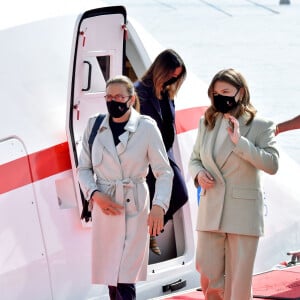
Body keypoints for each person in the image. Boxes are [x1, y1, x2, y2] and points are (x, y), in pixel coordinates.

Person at [77, 75, 173, 300]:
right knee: (112, 273)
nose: (113, 101)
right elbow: (83, 169)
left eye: (119, 96)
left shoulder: (146, 127)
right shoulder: (94, 125)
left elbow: (164, 171)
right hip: (105, 205)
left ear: (130, 99)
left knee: (125, 274)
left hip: (135, 205)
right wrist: (95, 195)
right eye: (109, 97)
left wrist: (159, 206)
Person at [189, 68, 279, 300]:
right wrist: (198, 174)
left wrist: (240, 141)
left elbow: (272, 164)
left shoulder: (260, 125)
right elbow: (194, 159)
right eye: (216, 92)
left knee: (238, 284)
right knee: (208, 277)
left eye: (226, 91)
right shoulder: (205, 122)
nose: (220, 96)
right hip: (210, 212)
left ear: (240, 92)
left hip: (242, 215)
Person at [134, 49, 189, 255]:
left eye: (176, 77)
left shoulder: (167, 94)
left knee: (181, 194)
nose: (172, 80)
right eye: (170, 75)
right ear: (160, 70)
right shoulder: (138, 92)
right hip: (147, 155)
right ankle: (148, 233)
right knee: (153, 198)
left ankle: (150, 230)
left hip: (166, 153)